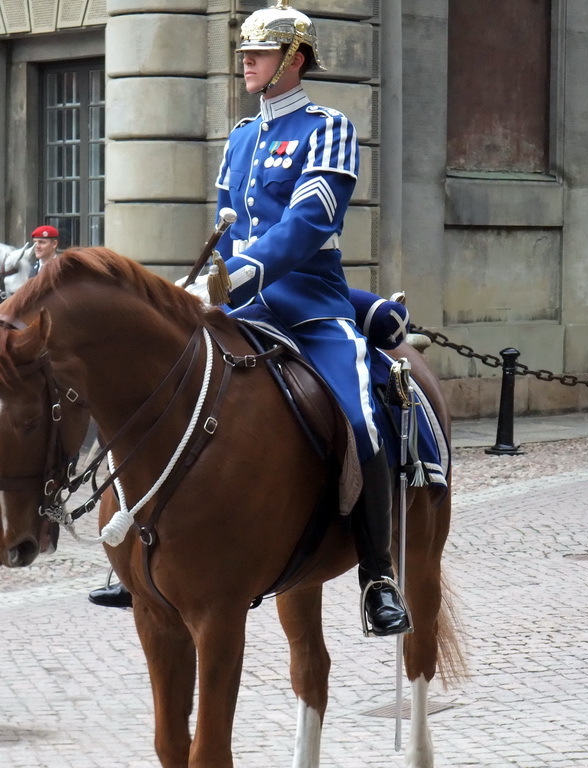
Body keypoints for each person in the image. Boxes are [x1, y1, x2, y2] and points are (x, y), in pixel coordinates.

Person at [92, 1, 410, 637]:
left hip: (309, 305)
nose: (246, 64)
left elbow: (308, 222)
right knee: (153, 389)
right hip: (234, 306)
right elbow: (225, 221)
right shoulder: (239, 138)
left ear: (292, 60)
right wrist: (197, 282)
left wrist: (236, 275)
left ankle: (376, 574)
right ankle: (134, 546)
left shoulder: (330, 127)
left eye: (258, 55)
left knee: (360, 415)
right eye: (244, 54)